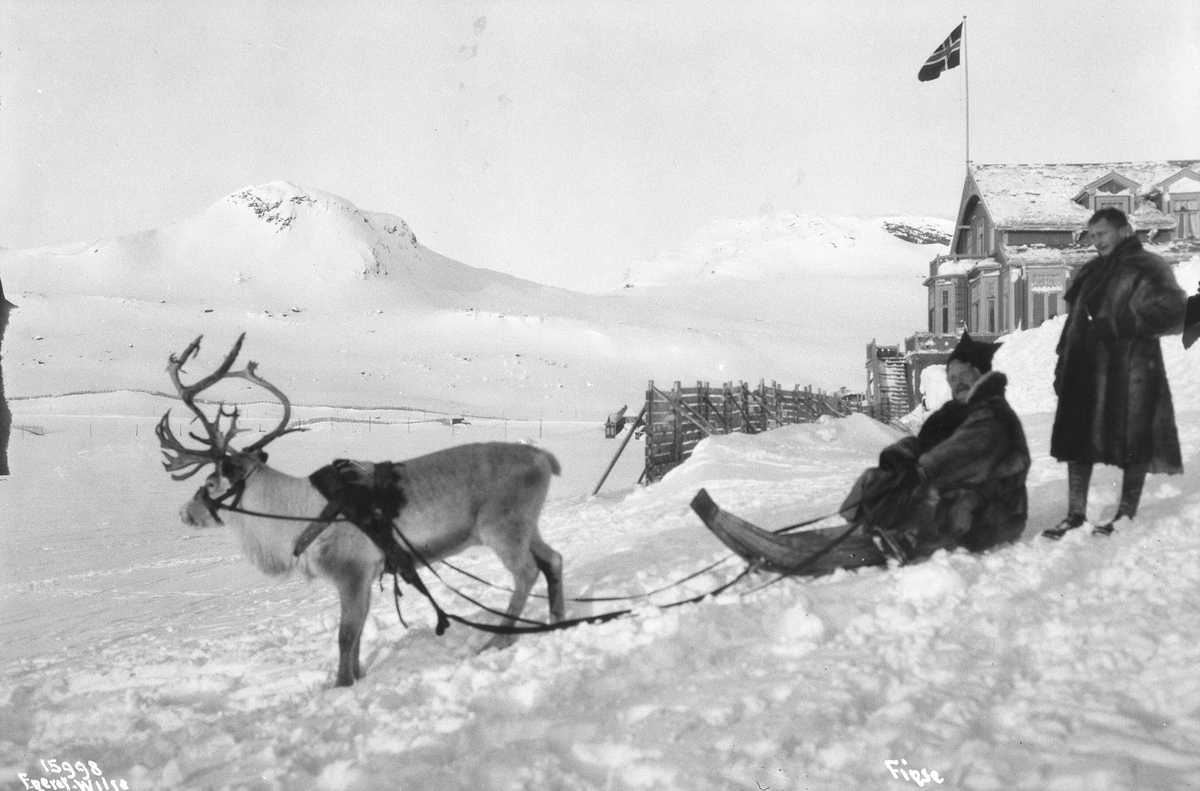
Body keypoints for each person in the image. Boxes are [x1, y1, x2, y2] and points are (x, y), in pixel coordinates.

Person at [1044, 207, 1187, 539]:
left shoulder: (1149, 266)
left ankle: (1125, 513)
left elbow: (1175, 312)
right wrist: (1062, 361)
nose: (1095, 242)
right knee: (1077, 438)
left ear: (1123, 230)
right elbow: (1074, 320)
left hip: (1131, 368)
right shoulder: (1091, 271)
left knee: (1133, 437)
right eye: (1091, 236)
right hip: (1085, 368)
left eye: (1102, 234)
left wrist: (1120, 324)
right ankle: (1075, 515)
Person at [841, 332, 1031, 563]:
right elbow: (925, 444)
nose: (957, 382)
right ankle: (869, 530)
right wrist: (901, 454)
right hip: (957, 487)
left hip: (997, 511)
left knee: (939, 495)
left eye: (963, 374)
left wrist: (922, 469)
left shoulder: (994, 415)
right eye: (952, 377)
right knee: (877, 478)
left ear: (980, 374)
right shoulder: (952, 413)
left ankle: (909, 537)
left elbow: (962, 452)